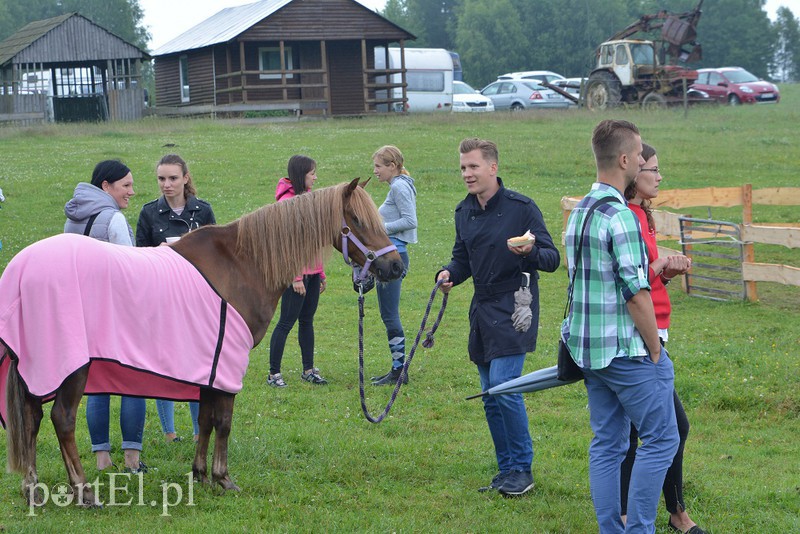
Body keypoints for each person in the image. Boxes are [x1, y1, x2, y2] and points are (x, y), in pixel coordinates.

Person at [561, 119, 679, 533]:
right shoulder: (621, 216)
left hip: (587, 349)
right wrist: (655, 350)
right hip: (624, 351)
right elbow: (636, 293)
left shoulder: (579, 211)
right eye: (640, 153)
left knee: (609, 444)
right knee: (663, 439)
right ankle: (640, 528)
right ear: (626, 159)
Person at [436, 138, 560, 496]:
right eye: (463, 168)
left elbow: (552, 259)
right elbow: (462, 260)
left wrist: (531, 249)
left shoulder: (522, 208)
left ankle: (522, 468)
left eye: (473, 167)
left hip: (515, 306)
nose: (467, 174)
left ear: (493, 167)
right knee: (490, 394)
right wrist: (448, 275)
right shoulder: (463, 212)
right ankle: (506, 469)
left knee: (506, 388)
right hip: (482, 309)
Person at [620, 144, 702, 534]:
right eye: (652, 169)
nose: (659, 176)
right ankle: (657, 514)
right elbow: (629, 283)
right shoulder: (627, 217)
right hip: (638, 336)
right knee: (663, 428)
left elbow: (646, 278)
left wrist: (666, 272)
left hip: (655, 328)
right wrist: (658, 266)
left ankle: (671, 512)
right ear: (633, 172)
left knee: (651, 429)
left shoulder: (644, 215)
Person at [64, 159, 147, 473]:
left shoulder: (73, 217)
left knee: (96, 384)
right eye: (126, 185)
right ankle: (132, 460)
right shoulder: (112, 219)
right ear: (106, 187)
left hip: (85, 313)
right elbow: (131, 272)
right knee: (133, 383)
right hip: (118, 313)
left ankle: (101, 459)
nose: (131, 191)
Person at [135, 154, 216, 443]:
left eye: (172, 178)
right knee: (163, 363)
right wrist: (159, 251)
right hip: (160, 295)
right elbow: (138, 259)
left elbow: (215, 256)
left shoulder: (203, 211)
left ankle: (198, 431)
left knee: (196, 363)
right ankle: (169, 431)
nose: (166, 184)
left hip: (195, 297)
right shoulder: (148, 213)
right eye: (161, 179)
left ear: (185, 178)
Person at [267, 155, 328, 388]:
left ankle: (309, 369)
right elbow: (285, 244)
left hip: (312, 273)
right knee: (285, 322)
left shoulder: (309, 200)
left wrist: (320, 273)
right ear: (301, 174)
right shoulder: (287, 204)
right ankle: (273, 373)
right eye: (312, 172)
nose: (315, 176)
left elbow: (313, 241)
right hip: (295, 276)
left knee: (307, 321)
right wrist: (295, 277)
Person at [370, 145, 418, 386]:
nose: (375, 171)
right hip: (390, 256)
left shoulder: (399, 186)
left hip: (393, 258)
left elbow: (410, 221)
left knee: (390, 316)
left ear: (392, 166)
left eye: (379, 166)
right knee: (387, 314)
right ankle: (397, 369)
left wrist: (379, 229)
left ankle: (399, 371)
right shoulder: (398, 185)